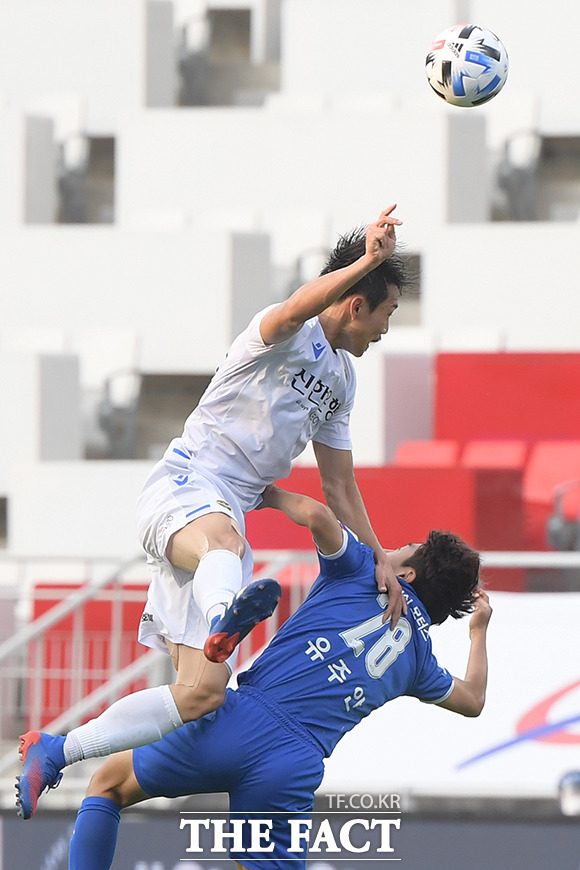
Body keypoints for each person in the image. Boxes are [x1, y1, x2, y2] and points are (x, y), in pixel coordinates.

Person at [16, 205, 412, 820]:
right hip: (186, 484)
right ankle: (227, 611)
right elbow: (296, 307)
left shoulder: (343, 381)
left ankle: (59, 749)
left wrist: (380, 559)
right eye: (386, 311)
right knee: (223, 547)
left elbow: (339, 485)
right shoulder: (282, 331)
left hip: (227, 518)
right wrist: (368, 259)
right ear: (357, 304)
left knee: (200, 693)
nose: (388, 328)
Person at [63, 484, 491, 870]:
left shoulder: (366, 570)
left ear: (407, 575)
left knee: (108, 785)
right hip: (294, 765)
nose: (391, 549)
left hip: (244, 719)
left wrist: (264, 492)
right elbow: (472, 700)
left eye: (403, 549)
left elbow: (319, 515)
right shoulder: (420, 658)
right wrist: (478, 631)